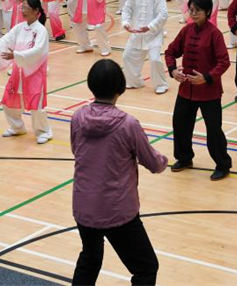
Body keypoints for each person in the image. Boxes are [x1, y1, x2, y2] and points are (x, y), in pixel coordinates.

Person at [71, 59, 167, 285]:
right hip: (117, 211)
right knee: (146, 268)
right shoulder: (128, 124)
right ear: (120, 88)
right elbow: (153, 163)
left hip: (84, 206)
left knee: (90, 258)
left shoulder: (77, 117)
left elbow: (77, 150)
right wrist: (164, 160)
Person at [165, 0, 232, 181]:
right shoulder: (186, 31)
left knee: (213, 130)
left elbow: (224, 61)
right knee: (180, 124)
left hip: (209, 92)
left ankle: (223, 164)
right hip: (186, 90)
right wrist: (172, 70)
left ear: (208, 12)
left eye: (198, 11)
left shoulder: (214, 34)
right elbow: (171, 51)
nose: (193, 14)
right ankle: (184, 158)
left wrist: (207, 77)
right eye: (191, 10)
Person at [0, 0, 53, 144]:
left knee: (36, 105)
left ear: (36, 11)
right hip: (18, 72)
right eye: (22, 7)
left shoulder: (41, 30)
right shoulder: (19, 28)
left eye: (26, 8)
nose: (23, 11)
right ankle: (17, 127)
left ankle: (44, 131)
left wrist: (16, 55)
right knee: (8, 101)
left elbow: (38, 51)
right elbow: (6, 40)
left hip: (34, 72)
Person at [122, 0, 169, 95]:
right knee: (127, 56)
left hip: (153, 33)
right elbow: (127, 9)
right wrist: (126, 22)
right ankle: (135, 81)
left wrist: (150, 26)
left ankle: (161, 84)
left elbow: (163, 14)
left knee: (155, 59)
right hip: (137, 33)